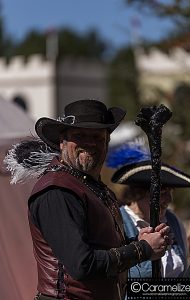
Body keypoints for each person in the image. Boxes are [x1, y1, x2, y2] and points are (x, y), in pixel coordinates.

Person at [5, 99, 171, 300]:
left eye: (97, 137)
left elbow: (102, 249)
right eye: (80, 136)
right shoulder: (57, 190)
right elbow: (82, 264)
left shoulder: (95, 189)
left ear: (107, 142)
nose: (90, 143)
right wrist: (143, 249)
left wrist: (139, 241)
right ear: (62, 142)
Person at [106, 142, 190, 278]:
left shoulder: (173, 221)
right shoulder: (116, 222)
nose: (169, 199)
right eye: (162, 192)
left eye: (170, 191)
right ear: (138, 193)